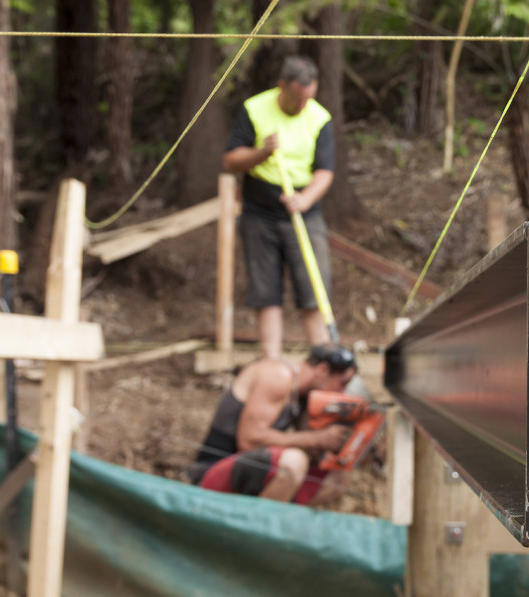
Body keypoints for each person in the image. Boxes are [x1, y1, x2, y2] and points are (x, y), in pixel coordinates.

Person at [222, 55, 335, 358]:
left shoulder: (319, 118)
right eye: (297, 98)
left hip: (304, 212)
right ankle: (271, 364)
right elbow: (231, 159)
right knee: (266, 293)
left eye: (308, 99)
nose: (302, 106)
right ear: (281, 85)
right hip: (259, 213)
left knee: (313, 292)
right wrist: (263, 152)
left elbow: (325, 171)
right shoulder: (255, 108)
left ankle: (324, 361)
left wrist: (305, 198)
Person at [186, 343, 357, 505]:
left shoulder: (301, 397)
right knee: (293, 463)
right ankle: (258, 529)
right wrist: (316, 438)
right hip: (211, 473)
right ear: (322, 370)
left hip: (250, 477)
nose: (341, 392)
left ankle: (274, 518)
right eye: (341, 384)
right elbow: (249, 441)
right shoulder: (278, 375)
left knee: (338, 478)